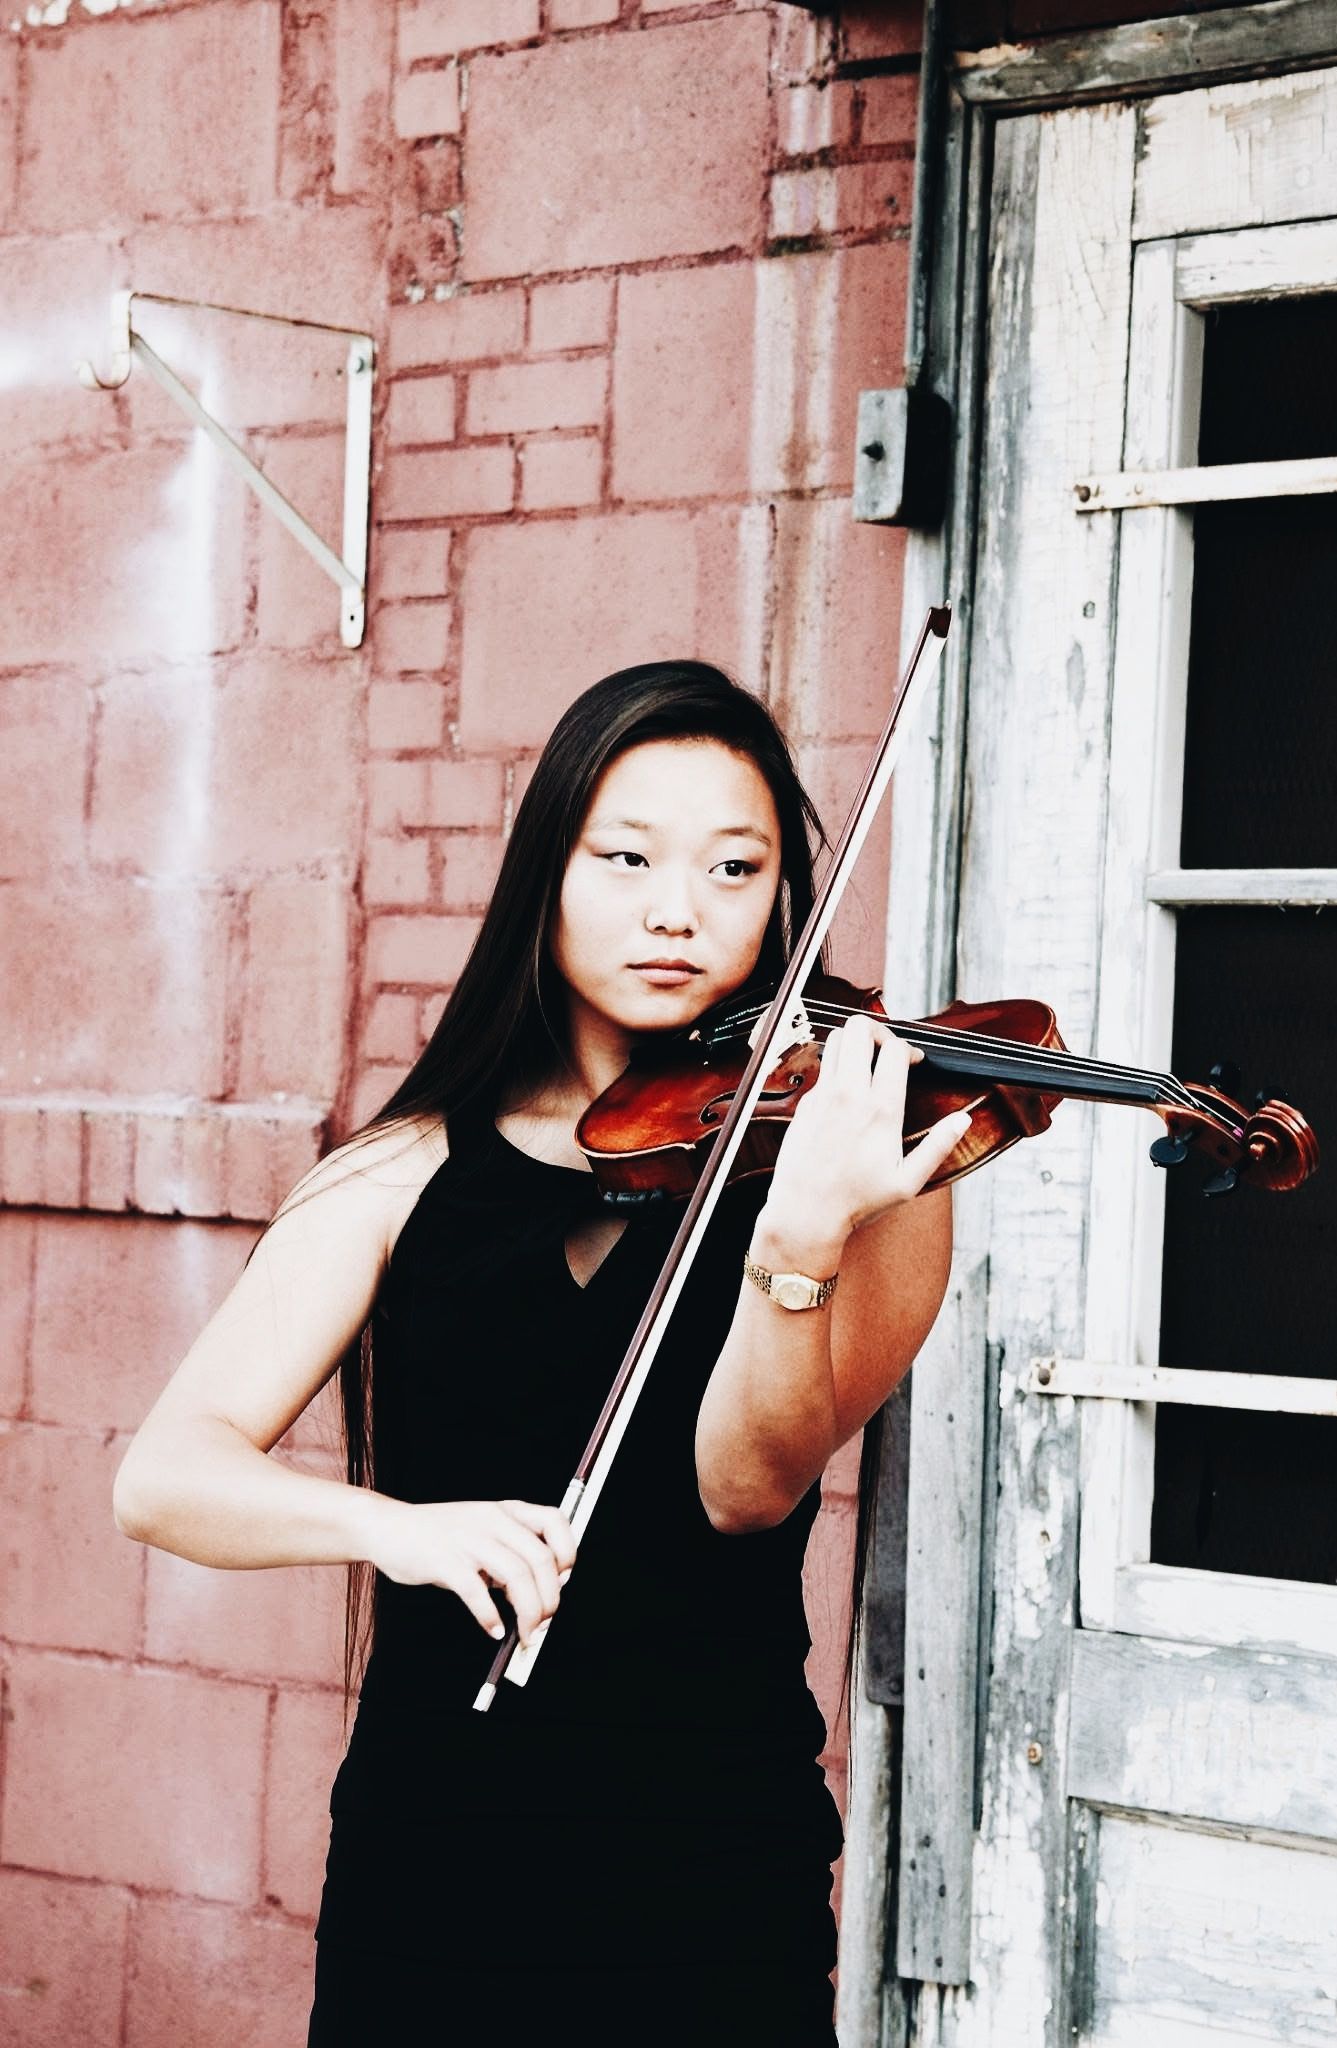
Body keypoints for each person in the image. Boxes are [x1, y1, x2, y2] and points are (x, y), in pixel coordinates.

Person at [113, 661, 969, 2045]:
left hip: (709, 1859)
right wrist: (396, 1528)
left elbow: (746, 1490)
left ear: (781, 900)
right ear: (547, 873)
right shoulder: (400, 1172)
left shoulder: (861, 1165)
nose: (678, 910)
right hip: (435, 1849)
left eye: (734, 868)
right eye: (626, 858)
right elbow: (165, 1477)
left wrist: (799, 1235)